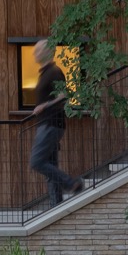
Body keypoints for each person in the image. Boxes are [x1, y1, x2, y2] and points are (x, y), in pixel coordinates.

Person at [27, 39, 84, 206]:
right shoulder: (45, 73)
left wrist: (45, 105)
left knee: (37, 162)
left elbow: (64, 95)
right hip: (47, 124)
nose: (35, 54)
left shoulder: (54, 71)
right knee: (50, 164)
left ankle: (71, 183)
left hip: (51, 124)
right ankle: (56, 204)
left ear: (46, 52)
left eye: (37, 51)